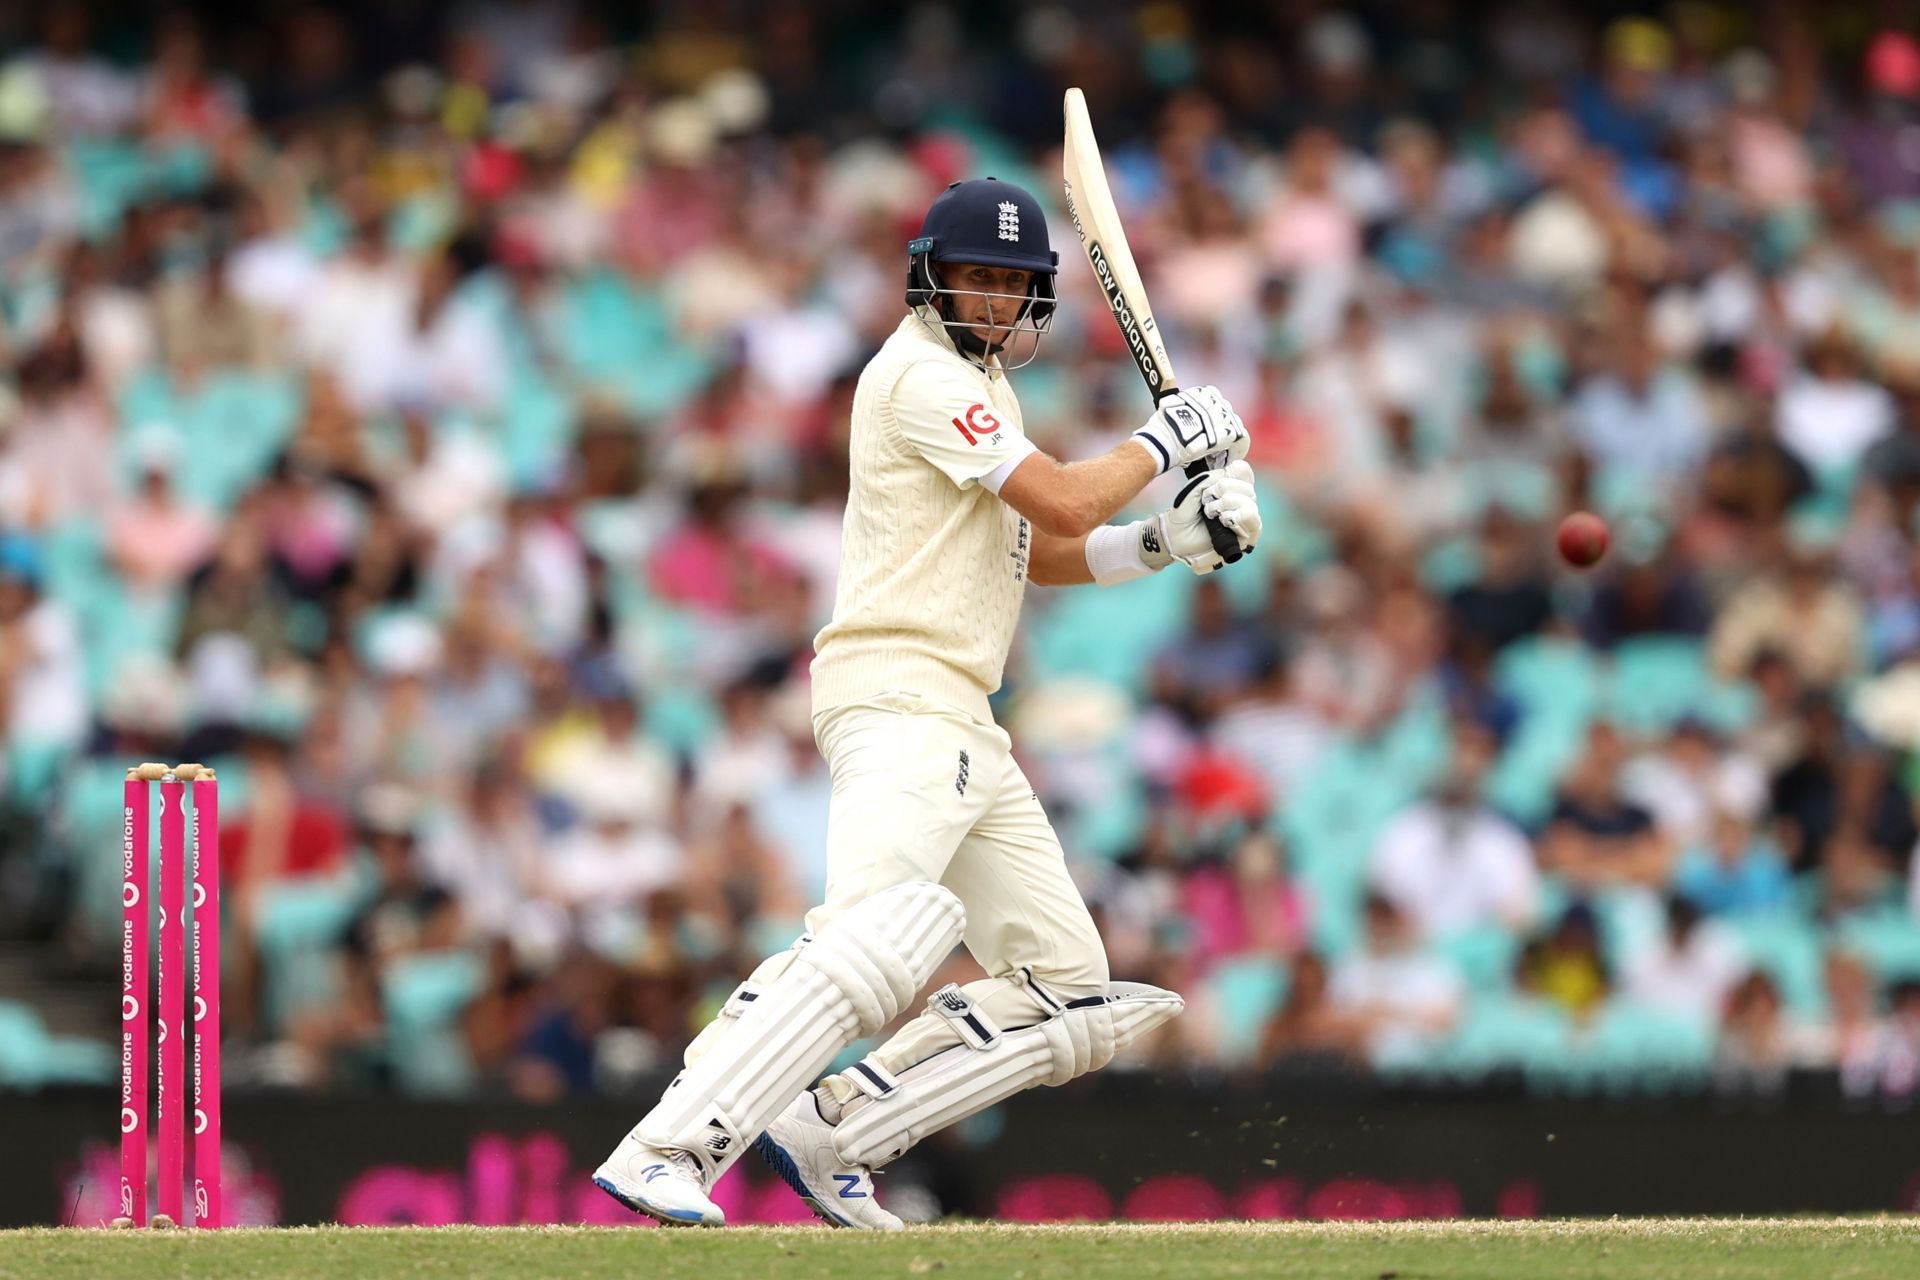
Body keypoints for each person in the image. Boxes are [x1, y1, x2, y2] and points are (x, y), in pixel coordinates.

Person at [592, 177, 1262, 1228]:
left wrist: (1167, 539)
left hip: (962, 715)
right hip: (900, 689)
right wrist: (1162, 446)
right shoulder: (916, 375)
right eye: (974, 276)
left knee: (1068, 983)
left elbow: (1035, 552)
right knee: (876, 933)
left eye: (1011, 283)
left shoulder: (985, 385)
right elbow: (1061, 492)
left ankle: (838, 1127)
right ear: (929, 275)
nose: (991, 298)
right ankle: (668, 1142)